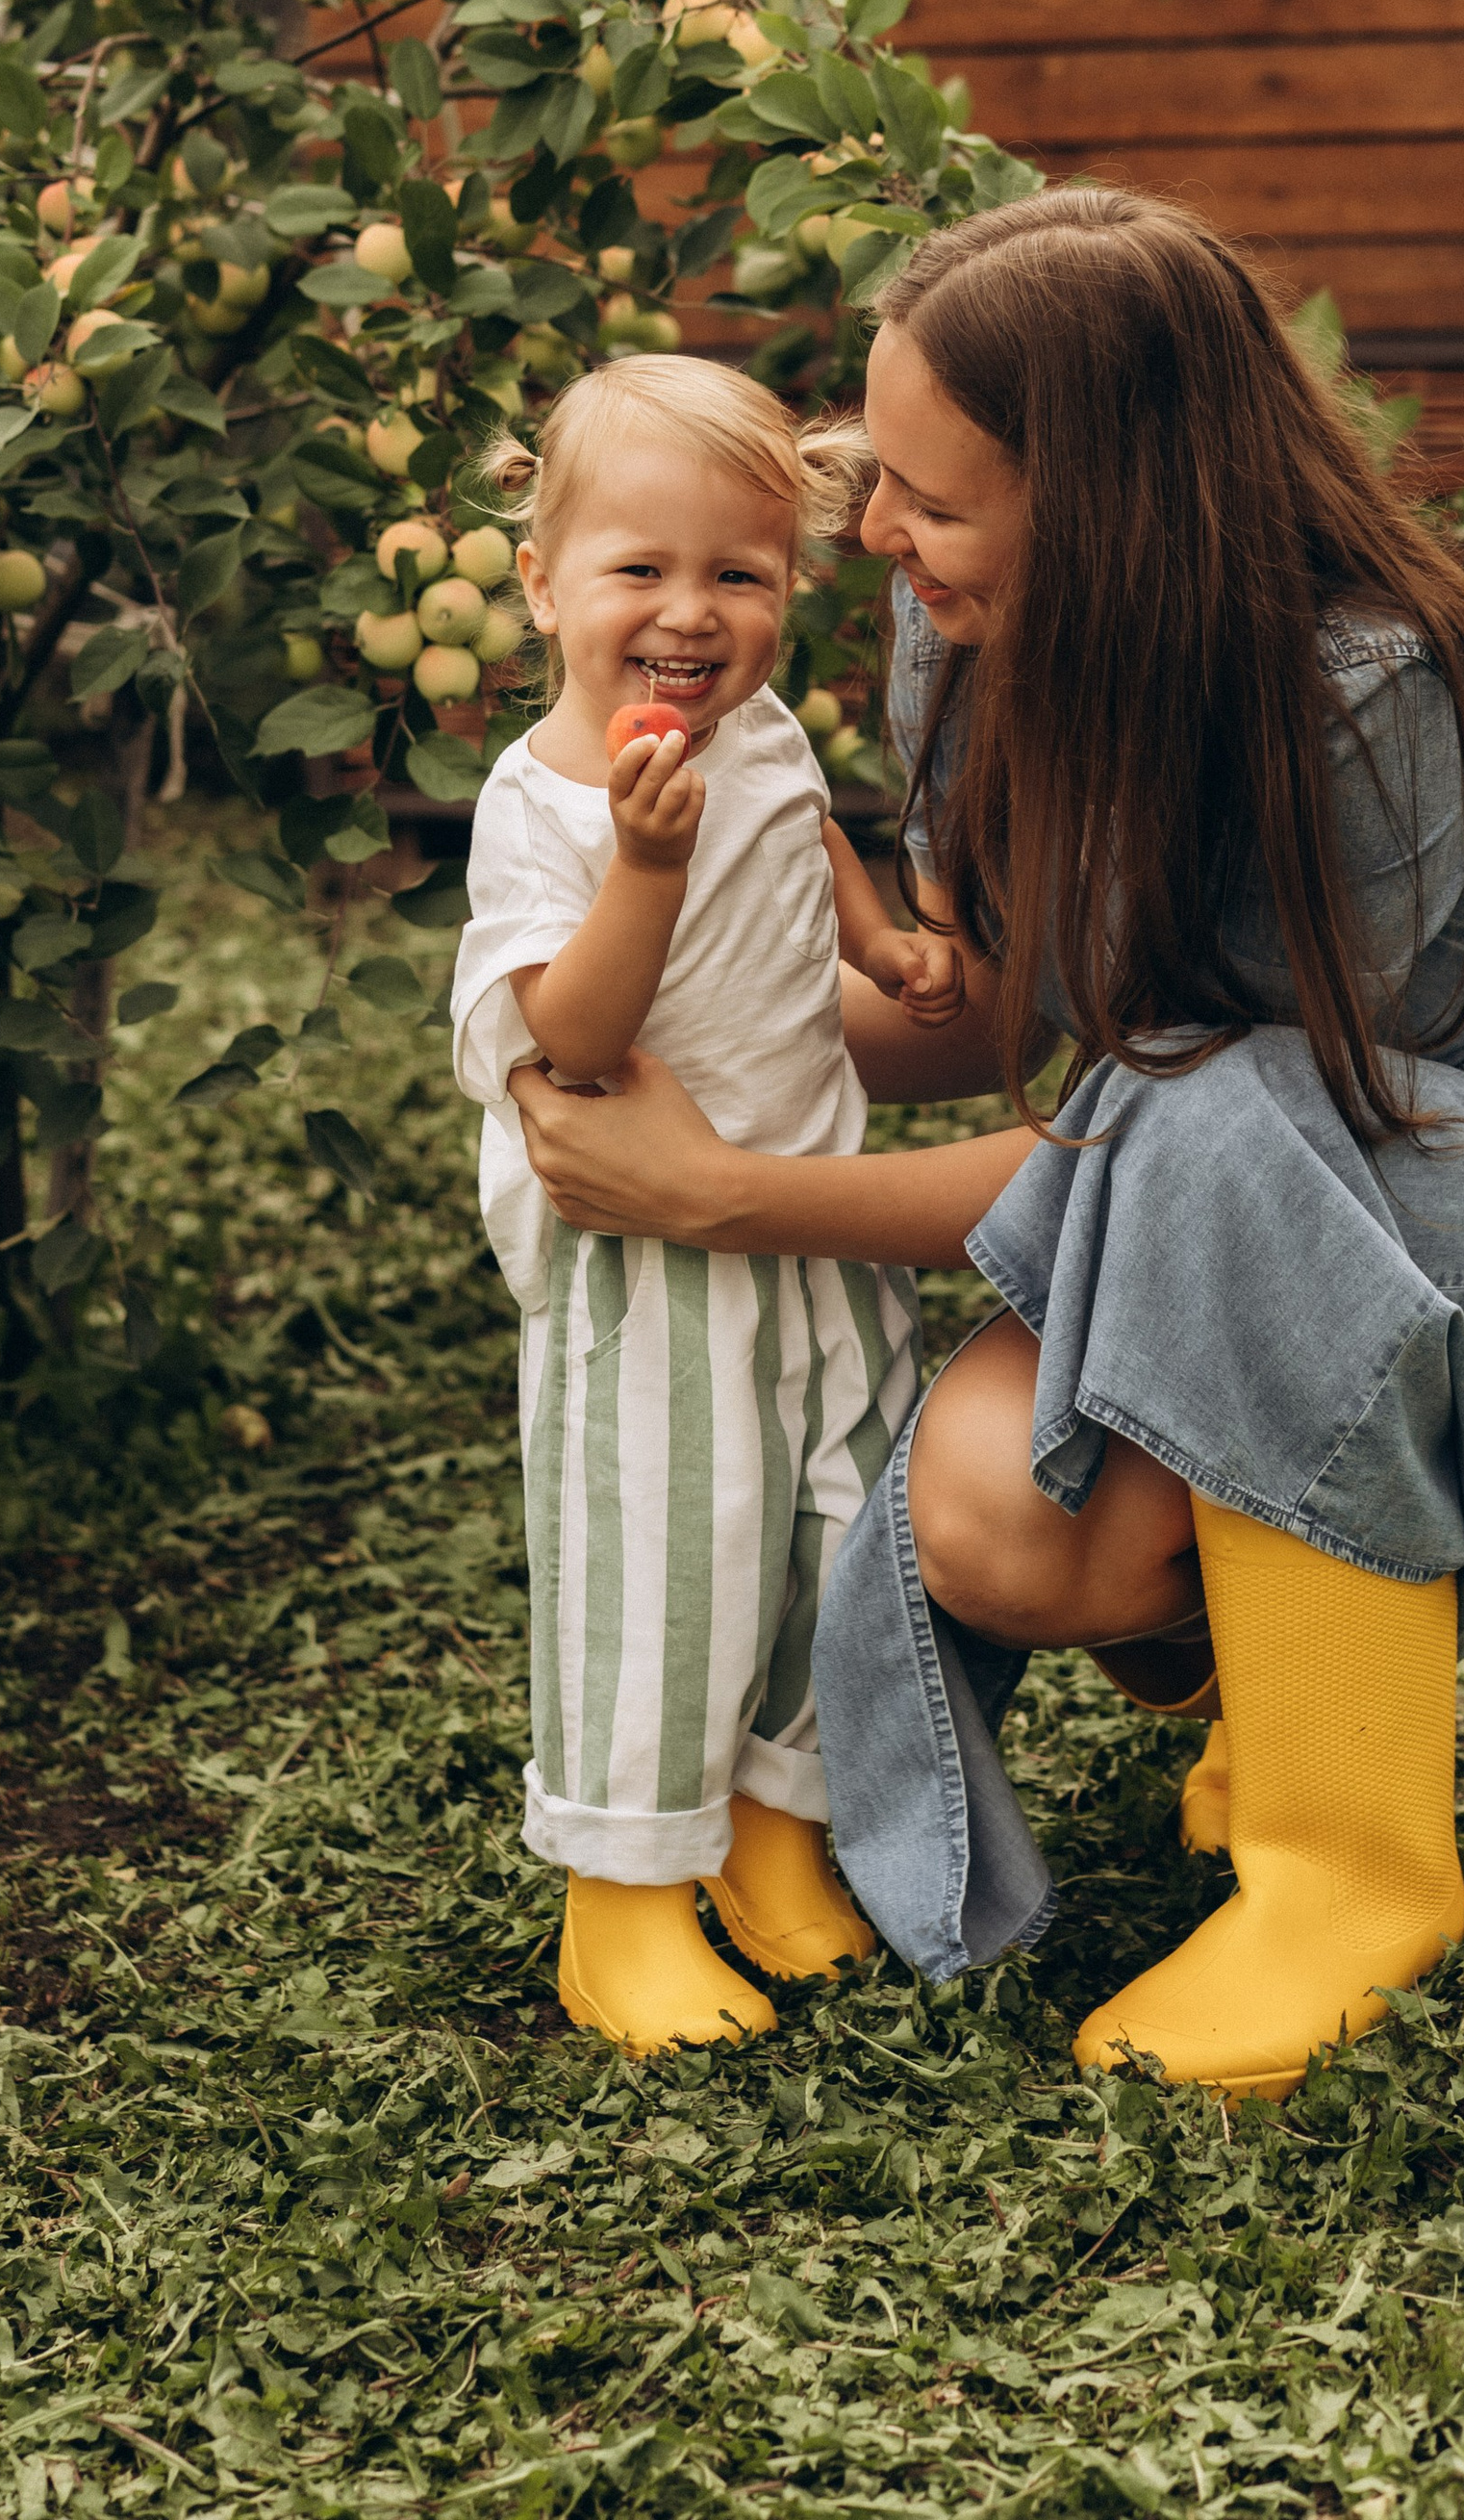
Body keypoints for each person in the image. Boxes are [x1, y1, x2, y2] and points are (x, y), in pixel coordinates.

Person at [506, 191, 1464, 2099]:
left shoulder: (1362, 699)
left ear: (1103, 501)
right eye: (878, 480)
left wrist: (727, 1198)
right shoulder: (968, 636)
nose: (870, 534)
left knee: (1204, 1125)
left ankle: (1348, 1876)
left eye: (928, 503)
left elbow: (1162, 1151)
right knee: (990, 1513)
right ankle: (1286, 1687)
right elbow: (996, 1020)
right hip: (1275, 1196)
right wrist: (652, 1034)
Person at [448, 353, 966, 2057]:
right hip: (648, 1265)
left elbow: (809, 836)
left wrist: (882, 940)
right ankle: (622, 1899)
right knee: (670, 1565)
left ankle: (773, 1832)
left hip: (809, 1207)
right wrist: (646, 869)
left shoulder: (752, 739)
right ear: (542, 581)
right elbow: (571, 1037)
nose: (689, 614)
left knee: (844, 1536)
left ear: (788, 591)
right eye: (638, 570)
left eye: (736, 574)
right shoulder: (545, 808)